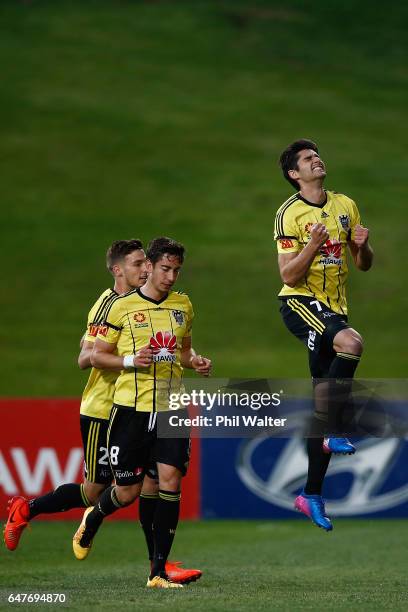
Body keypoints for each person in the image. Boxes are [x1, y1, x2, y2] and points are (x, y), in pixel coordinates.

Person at [3, 239, 201, 584]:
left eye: (146, 263)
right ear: (118, 270)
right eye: (139, 264)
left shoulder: (173, 304)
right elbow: (85, 357)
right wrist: (129, 360)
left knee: (154, 483)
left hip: (156, 404)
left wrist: (187, 359)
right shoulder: (109, 305)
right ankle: (28, 509)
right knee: (98, 491)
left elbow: (175, 345)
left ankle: (158, 567)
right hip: (105, 407)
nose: (145, 270)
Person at [72, 236, 211, 589]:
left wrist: (195, 361)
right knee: (128, 492)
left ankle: (158, 572)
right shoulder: (121, 307)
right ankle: (95, 516)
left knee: (170, 481)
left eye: (177, 270)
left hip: (171, 407)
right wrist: (132, 360)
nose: (171, 277)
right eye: (165, 269)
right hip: (130, 411)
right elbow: (94, 356)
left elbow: (183, 352)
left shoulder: (184, 306)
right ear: (149, 266)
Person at [274, 139, 373, 531]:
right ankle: (337, 427)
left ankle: (310, 494)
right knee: (353, 343)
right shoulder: (288, 215)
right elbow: (287, 276)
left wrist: (364, 248)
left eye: (317, 155)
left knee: (321, 403)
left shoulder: (345, 205)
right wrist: (313, 245)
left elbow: (362, 264)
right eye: (307, 159)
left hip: (336, 309)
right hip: (300, 303)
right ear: (294, 175)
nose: (317, 160)